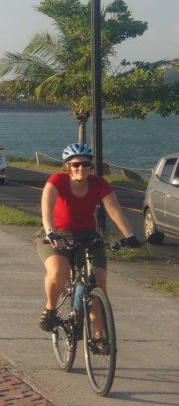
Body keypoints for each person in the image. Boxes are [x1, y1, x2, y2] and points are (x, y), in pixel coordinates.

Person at [37, 143, 139, 337]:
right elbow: (46, 208)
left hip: (88, 235)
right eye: (75, 164)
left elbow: (114, 210)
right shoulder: (57, 180)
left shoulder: (99, 183)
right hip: (57, 234)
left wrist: (129, 235)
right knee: (59, 272)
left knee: (98, 282)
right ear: (68, 166)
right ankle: (50, 309)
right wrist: (51, 232)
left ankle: (99, 337)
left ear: (91, 166)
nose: (81, 168)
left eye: (85, 164)